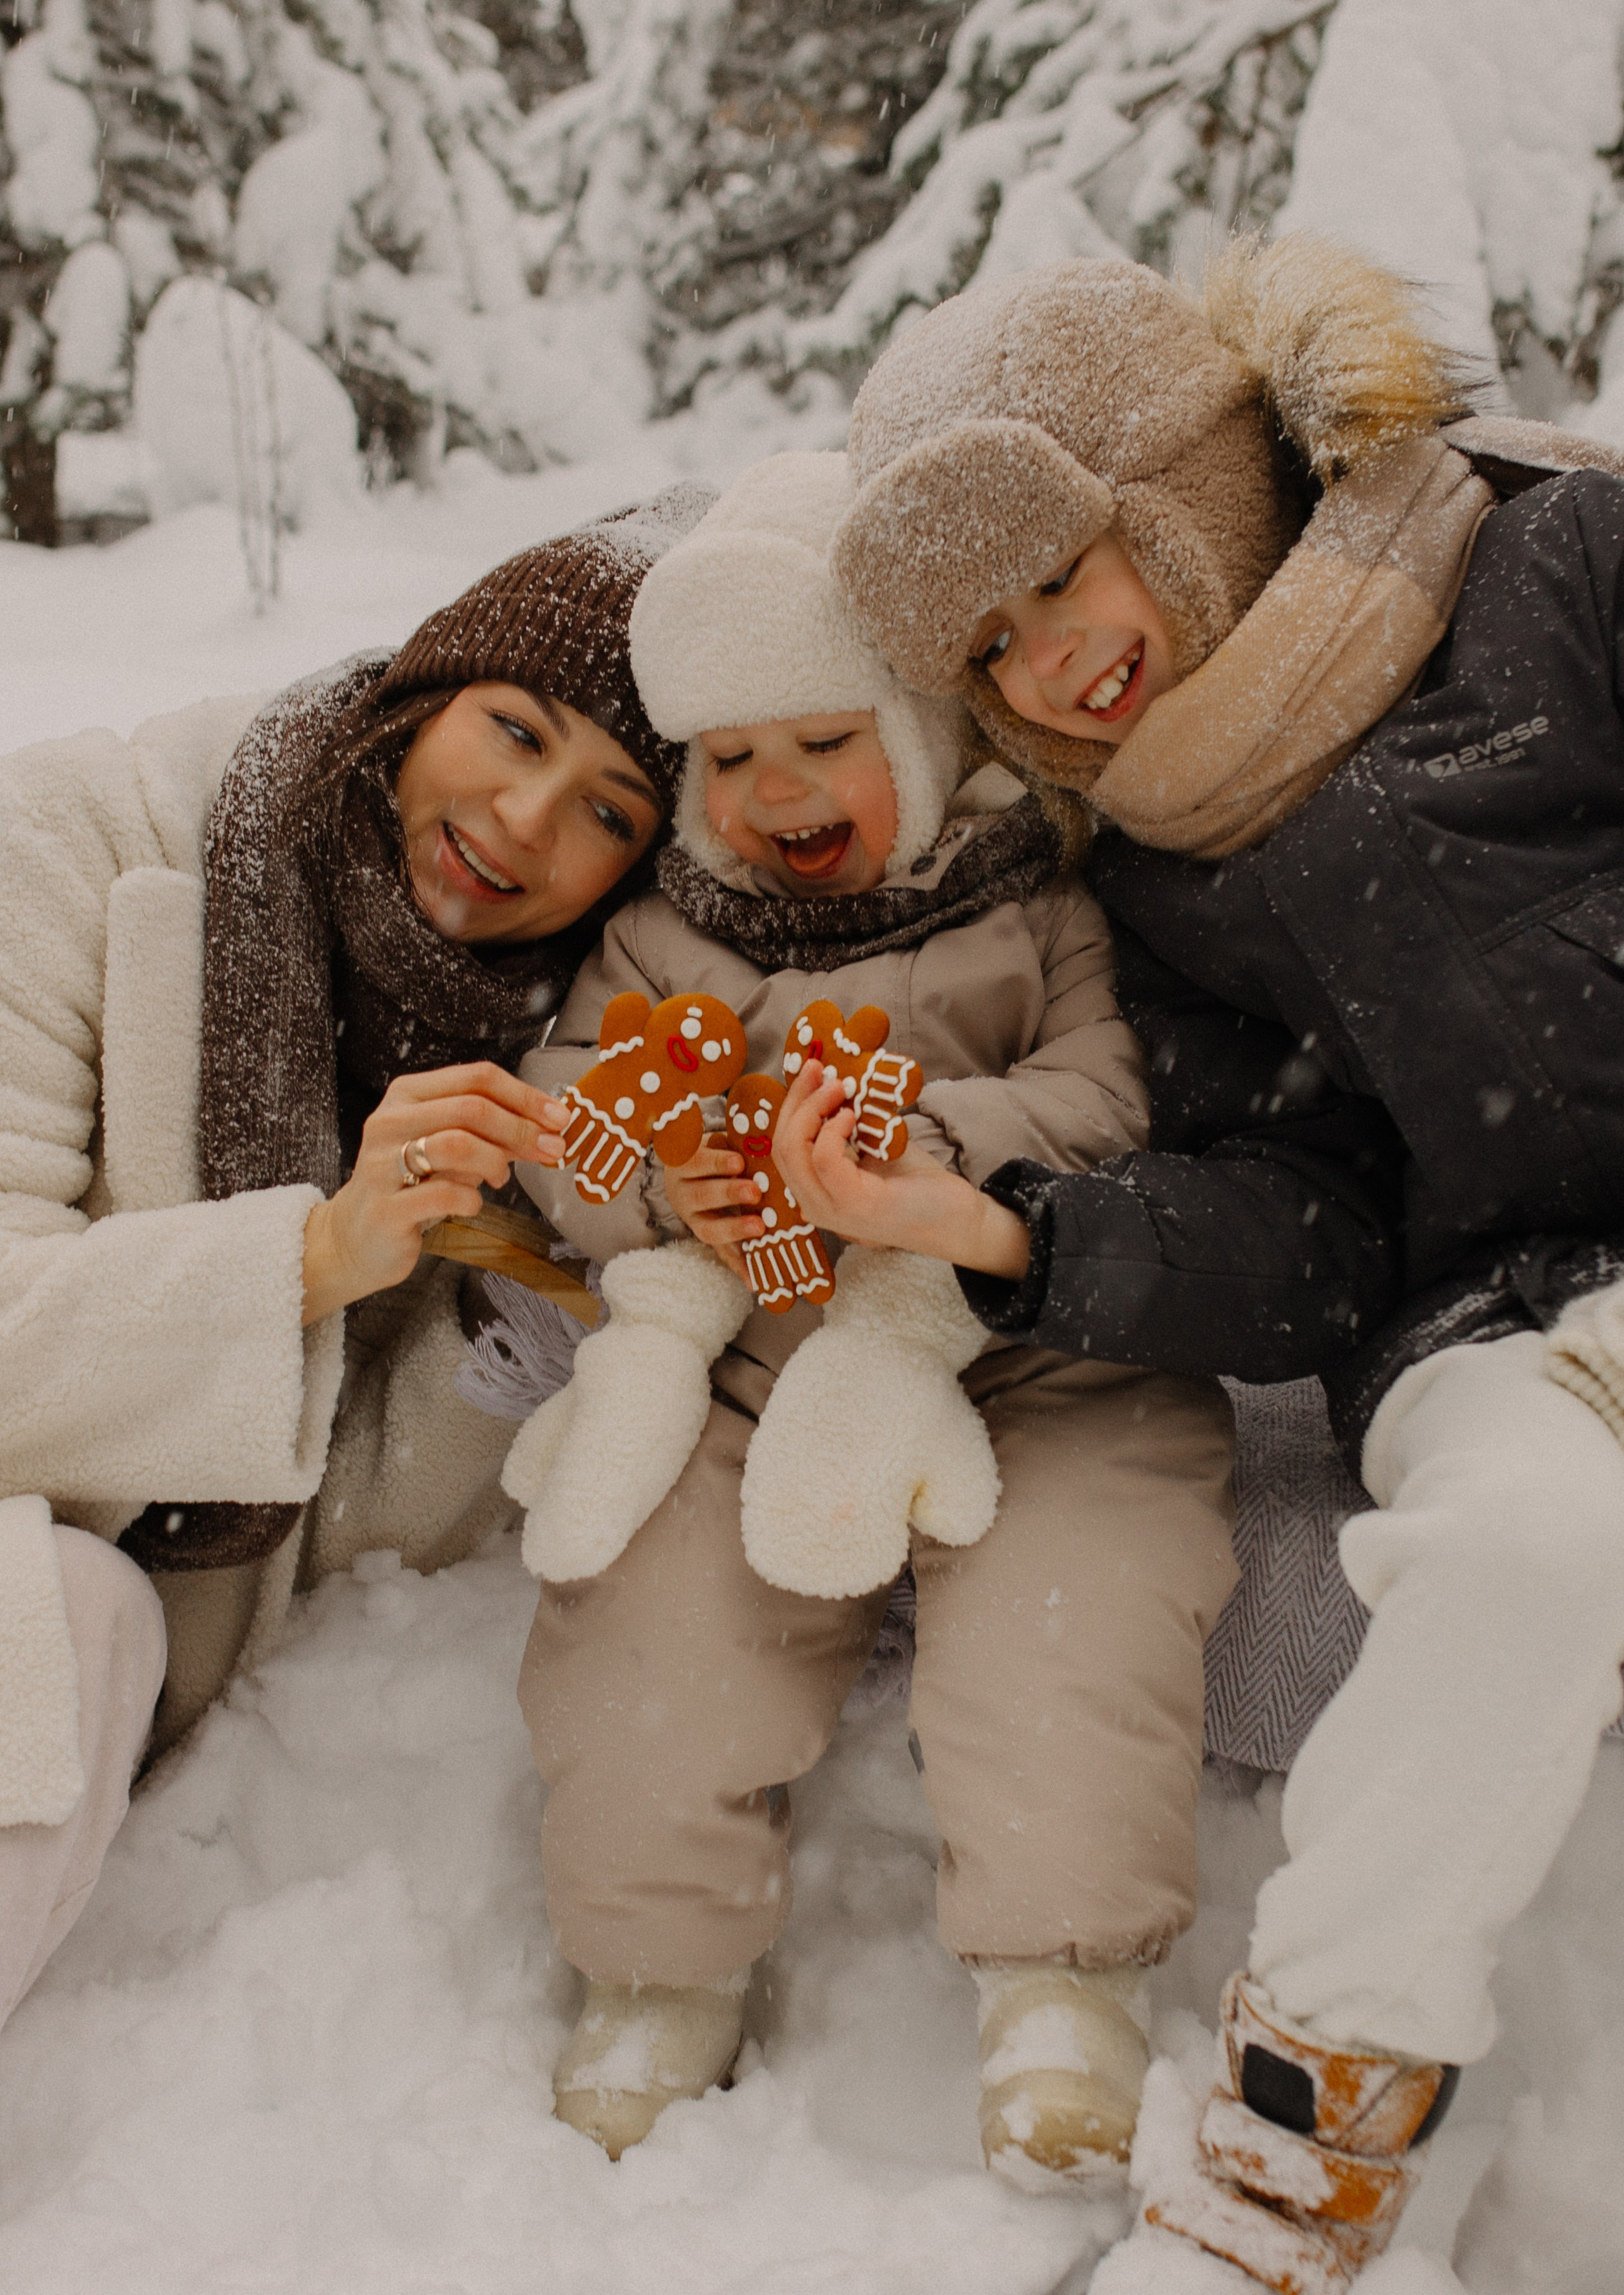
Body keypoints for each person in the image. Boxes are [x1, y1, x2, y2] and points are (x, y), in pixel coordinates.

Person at [778, 233, 1624, 2290]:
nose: (1052, 659)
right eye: (988, 644)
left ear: (1181, 487)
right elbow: (1311, 1218)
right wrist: (1001, 1230)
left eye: (1062, 568)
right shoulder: (1157, 873)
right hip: (1491, 1318)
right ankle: (1275, 2180)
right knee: (1518, 1558)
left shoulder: (1556, 560)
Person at [499, 449, 1236, 2184]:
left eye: (825, 742)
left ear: (914, 730)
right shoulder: (663, 942)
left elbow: (1120, 1089)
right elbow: (566, 1117)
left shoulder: (1040, 899)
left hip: (1038, 1323)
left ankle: (1064, 1984)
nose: (775, 791)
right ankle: (655, 1965)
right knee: (647, 1624)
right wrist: (659, 1189)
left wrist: (935, 1146)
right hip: (761, 1346)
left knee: (1085, 1605)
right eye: (731, 759)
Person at [0, 488, 705, 2040]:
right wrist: (309, 1260)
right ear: (422, 693)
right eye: (514, 730)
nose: (526, 824)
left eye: (608, 812)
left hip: (87, 1638)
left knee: (72, 1623)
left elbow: (322, 1519)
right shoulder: (74, 848)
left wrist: (542, 1297)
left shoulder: (543, 1057)